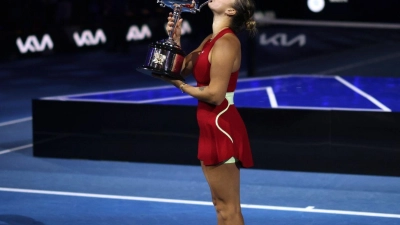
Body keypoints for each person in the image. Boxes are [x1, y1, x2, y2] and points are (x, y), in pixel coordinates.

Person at [157, 0, 256, 224]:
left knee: (229, 209)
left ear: (231, 11)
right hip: (210, 125)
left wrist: (180, 86)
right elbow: (181, 69)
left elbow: (214, 95)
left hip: (221, 125)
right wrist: (175, 40)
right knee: (220, 206)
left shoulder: (227, 42)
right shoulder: (210, 40)